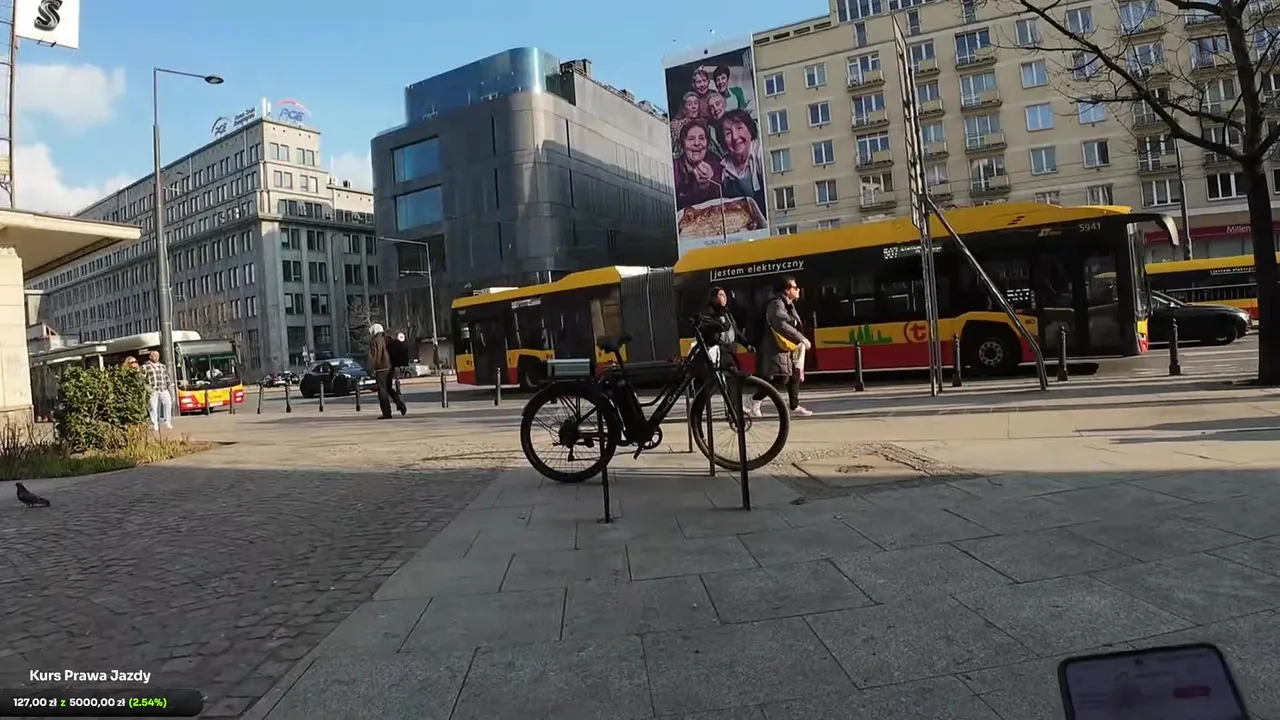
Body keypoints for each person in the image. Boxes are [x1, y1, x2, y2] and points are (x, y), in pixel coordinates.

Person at [748, 276, 813, 417]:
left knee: (794, 376)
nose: (798, 290)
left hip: (789, 347)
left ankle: (794, 405)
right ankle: (755, 400)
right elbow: (781, 324)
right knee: (778, 378)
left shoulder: (788, 304)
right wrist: (801, 338)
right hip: (777, 348)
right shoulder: (776, 303)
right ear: (787, 290)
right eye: (795, 287)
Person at [717, 109, 767, 215]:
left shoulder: (762, 154)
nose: (735, 137)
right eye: (728, 133)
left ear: (750, 130)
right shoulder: (723, 168)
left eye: (739, 128)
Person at [674, 121, 724, 208]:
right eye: (691, 139)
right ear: (683, 143)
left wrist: (709, 185)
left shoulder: (716, 163)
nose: (697, 143)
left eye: (702, 138)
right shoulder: (673, 168)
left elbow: (721, 199)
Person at [368, 323, 406, 419]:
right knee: (389, 388)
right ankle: (400, 404)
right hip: (390, 367)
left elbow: (375, 355)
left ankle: (386, 413)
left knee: (382, 391)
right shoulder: (387, 338)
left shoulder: (375, 341)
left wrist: (372, 367)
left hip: (380, 368)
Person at [140, 351, 174, 431]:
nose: (156, 357)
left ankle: (167, 421)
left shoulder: (162, 366)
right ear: (150, 357)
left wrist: (170, 385)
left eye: (157, 356)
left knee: (168, 403)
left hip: (163, 388)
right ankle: (155, 424)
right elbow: (142, 378)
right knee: (153, 407)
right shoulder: (145, 366)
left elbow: (166, 376)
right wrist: (147, 388)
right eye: (154, 355)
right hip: (153, 389)